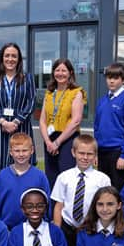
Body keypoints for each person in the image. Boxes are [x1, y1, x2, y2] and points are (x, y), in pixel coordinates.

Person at [51, 134, 111, 246]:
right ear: (73, 153)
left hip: (90, 226)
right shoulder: (64, 177)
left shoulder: (102, 179)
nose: (85, 157)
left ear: (95, 155)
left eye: (89, 154)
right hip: (68, 225)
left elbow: (107, 207)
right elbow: (59, 206)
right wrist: (57, 231)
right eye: (81, 153)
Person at [0, 43, 36, 173]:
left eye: (14, 56)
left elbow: (31, 102)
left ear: (19, 59)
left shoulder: (27, 78)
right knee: (0, 168)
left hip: (21, 127)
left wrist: (16, 121)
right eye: (7, 56)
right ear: (2, 58)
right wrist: (3, 122)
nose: (10, 59)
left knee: (22, 166)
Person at [39, 58, 86, 188]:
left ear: (70, 72)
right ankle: (53, 207)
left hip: (67, 140)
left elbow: (76, 121)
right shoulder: (49, 93)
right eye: (57, 70)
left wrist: (57, 142)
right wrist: (48, 142)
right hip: (50, 140)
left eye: (64, 70)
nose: (60, 73)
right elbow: (42, 120)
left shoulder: (77, 93)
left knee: (66, 178)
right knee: (51, 177)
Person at [0, 133, 51, 230]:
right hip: (6, 228)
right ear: (11, 152)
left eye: (24, 150)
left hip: (33, 228)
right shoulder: (2, 175)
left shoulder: (40, 176)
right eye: (17, 151)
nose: (21, 154)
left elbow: (47, 203)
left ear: (31, 150)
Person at [93, 63, 124, 190]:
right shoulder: (102, 101)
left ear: (123, 80)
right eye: (109, 77)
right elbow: (97, 127)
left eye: (116, 78)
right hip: (102, 152)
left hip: (118, 153)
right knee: (103, 190)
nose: (111, 81)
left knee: (118, 190)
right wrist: (95, 152)